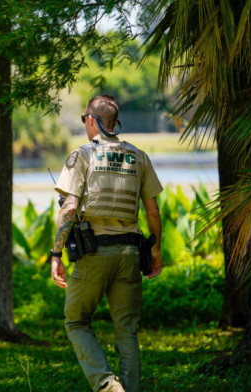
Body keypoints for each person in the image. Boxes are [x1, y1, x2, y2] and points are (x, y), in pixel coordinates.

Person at [49, 95, 163, 392]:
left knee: (76, 322)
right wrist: (156, 249)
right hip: (130, 253)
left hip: (94, 252)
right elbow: (152, 211)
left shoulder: (82, 155)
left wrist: (55, 253)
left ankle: (109, 387)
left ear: (91, 120)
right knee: (127, 330)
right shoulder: (138, 156)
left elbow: (70, 208)